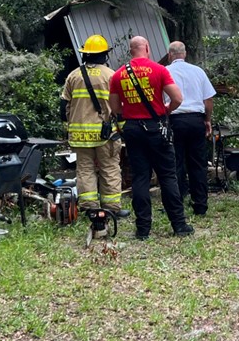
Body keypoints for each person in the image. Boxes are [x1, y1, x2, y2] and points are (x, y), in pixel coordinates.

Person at [109, 36, 194, 240]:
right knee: (167, 176)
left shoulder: (118, 75)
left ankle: (143, 229)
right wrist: (165, 111)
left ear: (130, 51)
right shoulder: (159, 70)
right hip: (156, 128)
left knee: (140, 178)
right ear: (147, 48)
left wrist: (131, 110)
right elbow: (178, 98)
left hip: (133, 130)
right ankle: (179, 225)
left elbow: (114, 108)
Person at [60, 34, 128, 219]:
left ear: (85, 55)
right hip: (105, 134)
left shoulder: (73, 76)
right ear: (104, 55)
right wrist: (122, 127)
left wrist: (68, 127)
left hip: (80, 136)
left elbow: (63, 105)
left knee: (85, 170)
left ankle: (90, 208)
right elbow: (119, 105)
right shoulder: (111, 75)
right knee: (110, 169)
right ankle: (112, 208)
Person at [165, 41, 216, 216]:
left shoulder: (165, 71)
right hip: (196, 119)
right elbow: (208, 100)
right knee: (198, 164)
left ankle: (177, 204)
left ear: (170, 55)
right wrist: (207, 120)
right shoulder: (198, 71)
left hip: (175, 119)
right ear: (184, 54)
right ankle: (200, 205)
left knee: (176, 163)